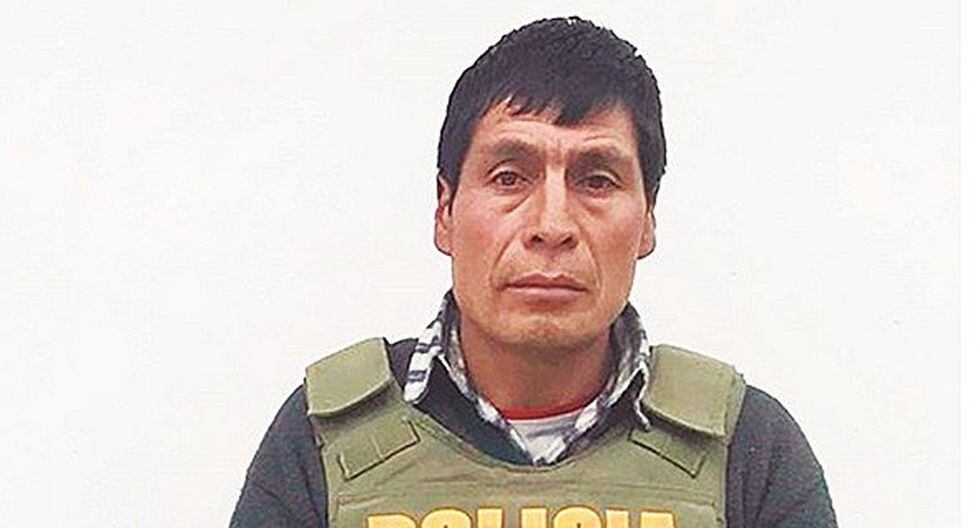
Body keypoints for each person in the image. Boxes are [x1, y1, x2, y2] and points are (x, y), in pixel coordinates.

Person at [231, 17, 837, 528]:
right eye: (509, 178)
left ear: (647, 221)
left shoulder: (747, 446)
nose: (551, 224)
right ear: (445, 212)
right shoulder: (321, 437)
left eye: (596, 180)